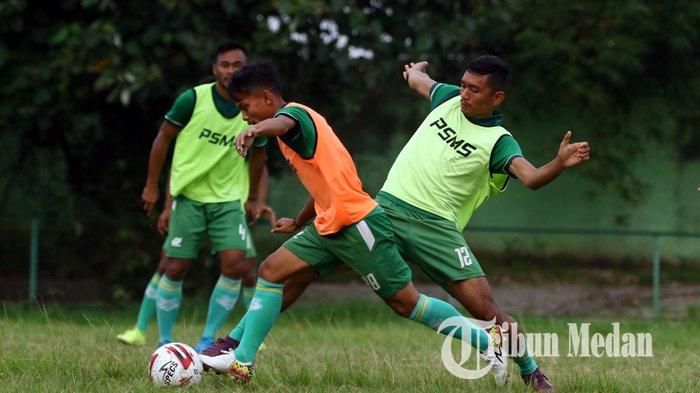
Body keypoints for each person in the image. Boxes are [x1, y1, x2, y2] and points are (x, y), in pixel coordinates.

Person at [211, 55, 590, 391]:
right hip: (386, 209)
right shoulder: (448, 100)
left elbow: (532, 177)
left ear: (496, 98)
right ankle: (236, 348)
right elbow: (419, 81)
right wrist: (416, 71)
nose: (464, 93)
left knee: (486, 311)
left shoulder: (499, 141)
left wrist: (558, 163)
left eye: (475, 89)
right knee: (291, 272)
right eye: (463, 84)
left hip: (435, 227)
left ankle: (531, 372)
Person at [139, 43, 268, 350]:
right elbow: (163, 138)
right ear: (215, 69)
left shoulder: (253, 107)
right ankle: (165, 342)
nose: (231, 70)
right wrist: (152, 185)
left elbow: (260, 158)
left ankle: (208, 338)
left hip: (228, 200)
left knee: (237, 265)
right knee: (173, 267)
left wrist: (252, 198)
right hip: (189, 198)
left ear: (246, 69)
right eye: (225, 64)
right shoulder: (192, 99)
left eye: (238, 65)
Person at [116, 169, 275, 348]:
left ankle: (246, 335)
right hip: (190, 204)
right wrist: (168, 207)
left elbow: (260, 165)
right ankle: (140, 330)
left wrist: (257, 201)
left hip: (228, 205)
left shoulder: (243, 141)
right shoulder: (189, 143)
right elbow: (177, 165)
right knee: (168, 265)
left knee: (245, 268)